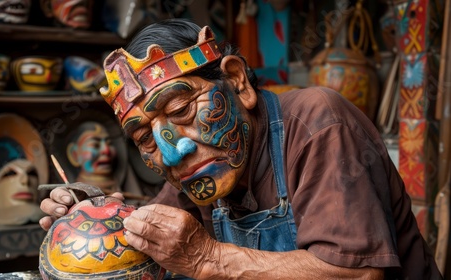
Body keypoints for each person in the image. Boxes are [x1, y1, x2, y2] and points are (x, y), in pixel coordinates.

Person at [40, 18, 442, 279]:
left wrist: (207, 259)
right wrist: (98, 215)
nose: (172, 152)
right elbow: (159, 234)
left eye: (181, 109)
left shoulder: (319, 123)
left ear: (237, 82)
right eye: (145, 138)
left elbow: (357, 275)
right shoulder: (196, 169)